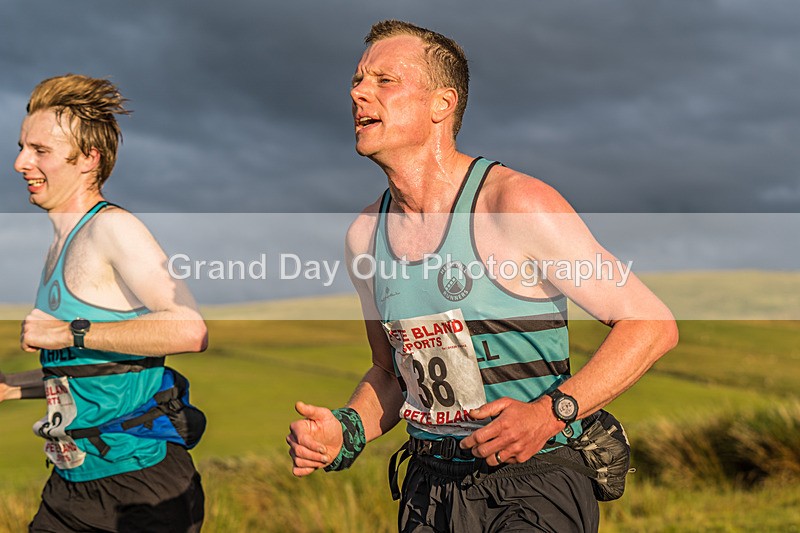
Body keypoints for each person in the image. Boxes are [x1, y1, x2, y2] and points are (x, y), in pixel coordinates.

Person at [287, 20, 678, 532]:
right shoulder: (365, 235)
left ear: (441, 105)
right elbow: (390, 374)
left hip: (531, 482)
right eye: (358, 81)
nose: (358, 92)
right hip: (429, 489)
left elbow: (650, 324)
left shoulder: (514, 204)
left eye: (384, 81)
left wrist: (550, 413)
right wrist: (348, 431)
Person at [0, 74, 207, 532]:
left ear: (88, 160)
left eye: (40, 151)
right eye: (21, 146)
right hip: (70, 484)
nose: (19, 163)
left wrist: (69, 330)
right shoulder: (61, 243)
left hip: (140, 487)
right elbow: (97, 371)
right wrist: (12, 386)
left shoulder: (112, 229)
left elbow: (190, 329)